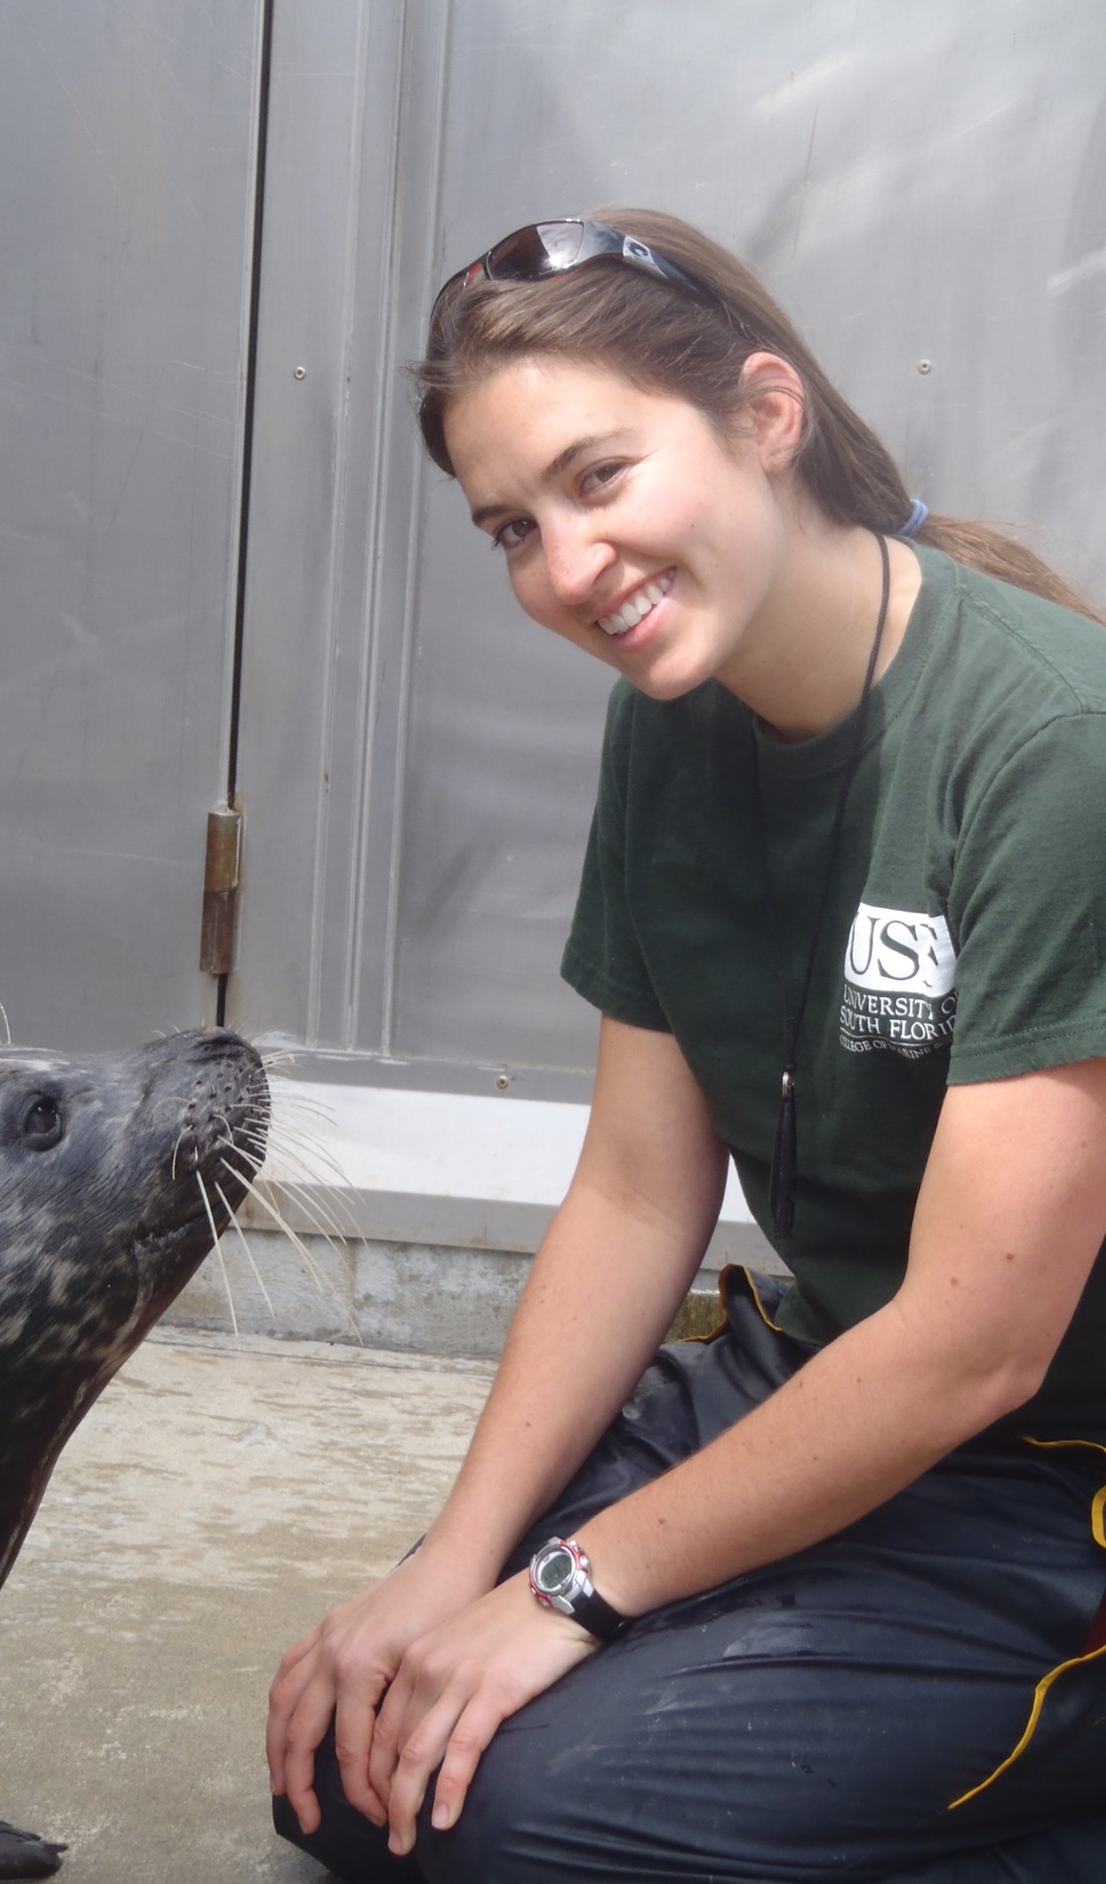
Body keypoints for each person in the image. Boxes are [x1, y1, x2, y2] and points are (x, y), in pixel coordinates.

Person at [265, 210, 1106, 1883]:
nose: (565, 570)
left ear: (766, 416)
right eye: (511, 525)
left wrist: (570, 1592)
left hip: (1041, 1486)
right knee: (362, 1769)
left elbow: (967, 1350)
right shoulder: (665, 723)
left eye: (598, 478)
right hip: (809, 1385)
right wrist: (458, 1561)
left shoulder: (1051, 746)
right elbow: (639, 1198)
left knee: (513, 1826)